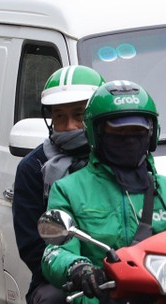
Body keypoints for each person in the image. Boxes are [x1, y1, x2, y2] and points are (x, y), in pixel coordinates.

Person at [42, 80, 166, 304]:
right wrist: (79, 268)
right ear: (96, 134)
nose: (129, 137)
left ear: (152, 134)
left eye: (137, 130)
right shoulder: (68, 190)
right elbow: (54, 253)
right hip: (99, 298)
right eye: (119, 131)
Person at [13, 66, 105, 304]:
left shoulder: (120, 157)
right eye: (60, 116)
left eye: (79, 114)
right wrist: (75, 269)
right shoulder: (33, 168)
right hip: (62, 277)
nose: (71, 126)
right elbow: (33, 247)